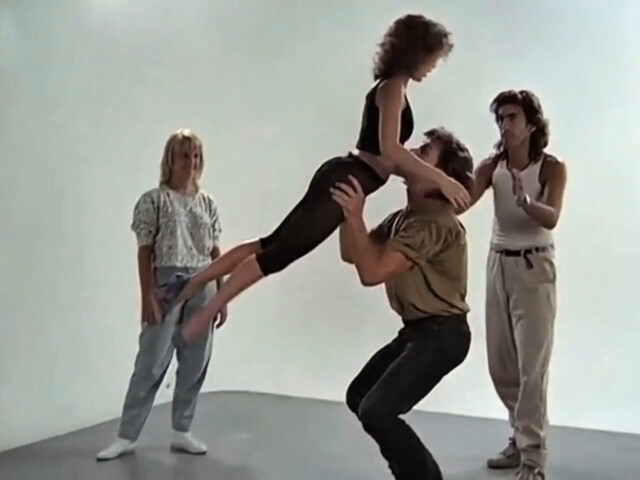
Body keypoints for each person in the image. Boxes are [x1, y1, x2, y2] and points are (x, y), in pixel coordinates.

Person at [154, 14, 471, 341]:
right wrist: (441, 179)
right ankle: (204, 315)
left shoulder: (395, 88)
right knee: (275, 256)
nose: (432, 66)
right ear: (416, 51)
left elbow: (391, 157)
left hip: (345, 174)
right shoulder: (392, 88)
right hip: (347, 179)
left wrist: (441, 182)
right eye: (432, 58)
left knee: (269, 244)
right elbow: (390, 149)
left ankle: (189, 284)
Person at [335, 127, 474, 480]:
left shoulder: (433, 224)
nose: (410, 153)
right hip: (418, 332)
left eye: (424, 152)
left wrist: (355, 217)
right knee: (360, 396)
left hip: (443, 336)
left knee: (377, 410)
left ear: (442, 176)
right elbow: (353, 253)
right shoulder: (405, 217)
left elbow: (372, 272)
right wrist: (349, 212)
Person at [97, 129, 225, 461]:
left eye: (195, 155)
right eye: (184, 155)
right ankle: (127, 435)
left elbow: (215, 251)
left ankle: (182, 430)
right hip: (167, 282)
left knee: (196, 359)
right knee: (152, 360)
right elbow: (145, 251)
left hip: (204, 281)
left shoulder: (208, 203)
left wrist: (222, 293)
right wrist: (147, 296)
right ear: (170, 159)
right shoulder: (154, 201)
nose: (190, 162)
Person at [467, 90, 567, 480]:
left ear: (531, 124)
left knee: (532, 368)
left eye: (511, 117)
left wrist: (526, 202)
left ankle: (533, 459)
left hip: (534, 267)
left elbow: (552, 216)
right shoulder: (492, 166)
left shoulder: (551, 168)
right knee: (502, 365)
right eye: (500, 119)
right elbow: (460, 202)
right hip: (499, 266)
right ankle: (519, 437)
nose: (504, 126)